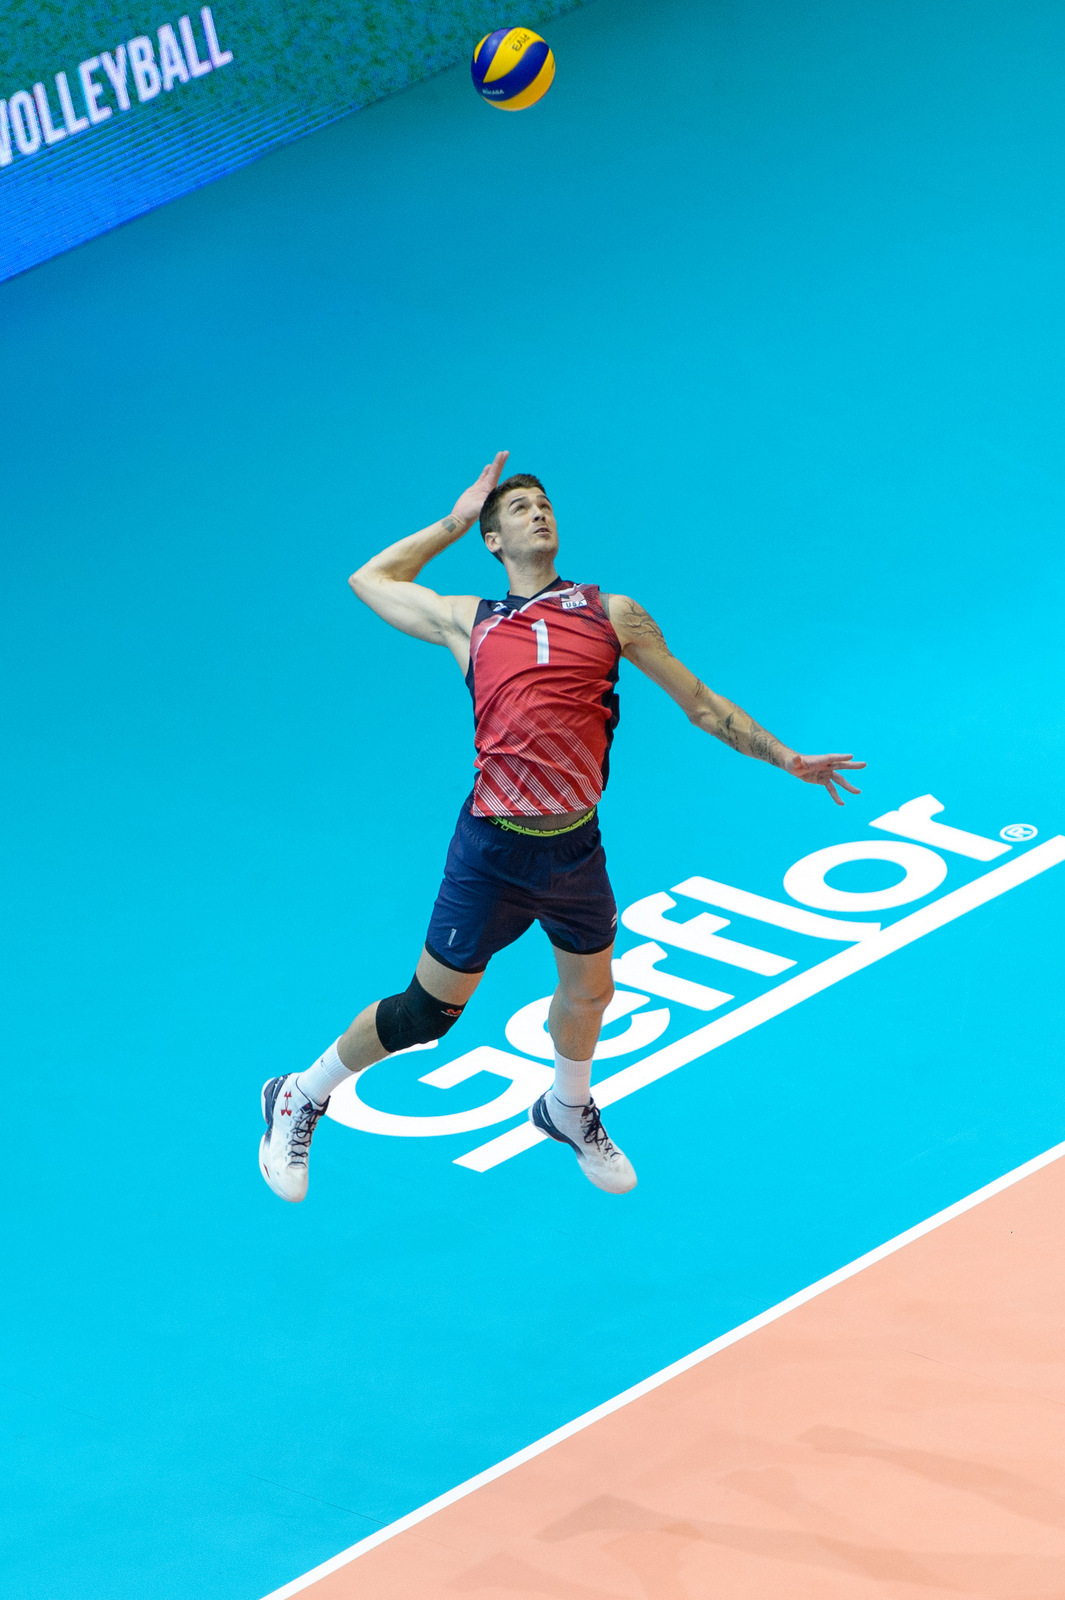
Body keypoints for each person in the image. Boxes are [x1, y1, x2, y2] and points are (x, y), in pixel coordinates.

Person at [259, 452, 864, 1202]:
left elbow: (700, 703)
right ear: (492, 541)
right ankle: (299, 1092)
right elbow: (370, 580)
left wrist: (785, 758)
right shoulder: (466, 621)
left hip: (576, 846)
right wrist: (453, 518)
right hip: (491, 850)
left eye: (543, 503)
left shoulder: (612, 612)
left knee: (588, 996)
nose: (537, 512)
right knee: (426, 1015)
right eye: (517, 510)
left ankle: (566, 1108)